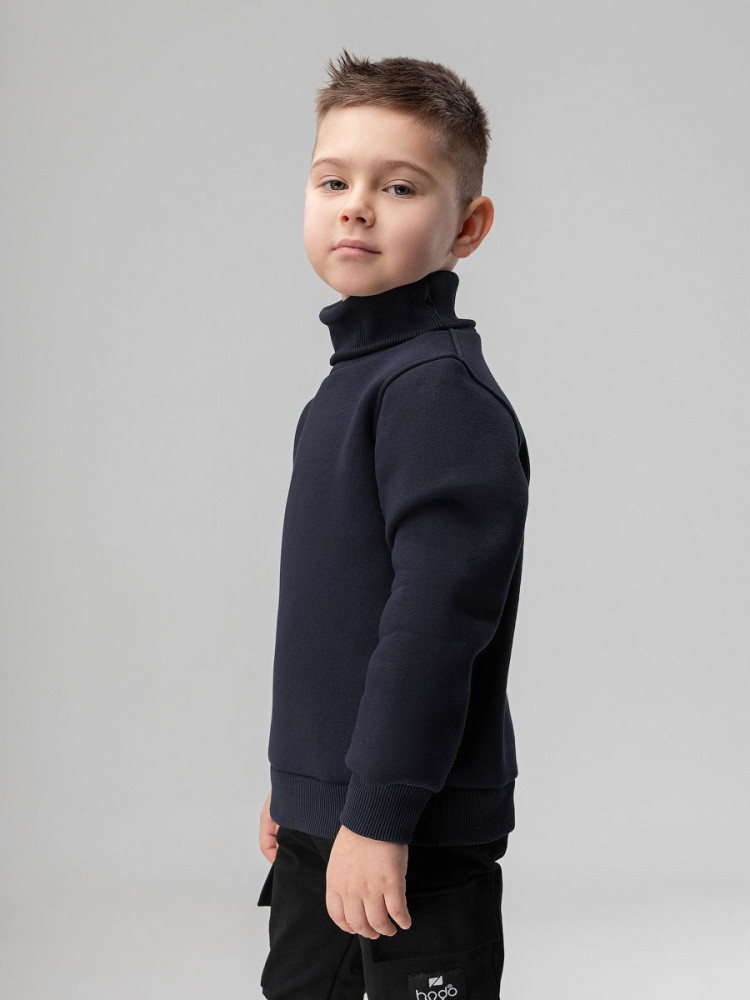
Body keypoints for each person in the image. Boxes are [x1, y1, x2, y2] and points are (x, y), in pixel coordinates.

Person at [257, 48, 531, 1000]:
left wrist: (374, 816)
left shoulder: (435, 393)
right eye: (333, 180)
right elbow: (338, 622)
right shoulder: (353, 384)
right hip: (334, 814)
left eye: (400, 186)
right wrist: (303, 785)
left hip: (409, 829)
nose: (356, 208)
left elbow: (433, 627)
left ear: (468, 226)